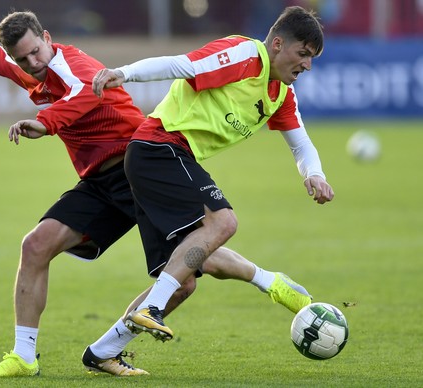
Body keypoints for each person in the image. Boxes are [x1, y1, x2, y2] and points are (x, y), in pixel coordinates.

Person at [0, 7, 314, 379]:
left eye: (36, 51)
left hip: (135, 165)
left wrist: (45, 123)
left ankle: (270, 283)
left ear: (48, 39)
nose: (32, 62)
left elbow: (86, 93)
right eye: (23, 59)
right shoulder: (30, 71)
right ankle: (24, 357)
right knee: (36, 245)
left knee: (190, 268)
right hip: (99, 181)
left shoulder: (72, 65)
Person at [89, 5, 333, 365]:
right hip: (160, 146)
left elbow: (301, 144)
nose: (307, 65)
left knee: (184, 279)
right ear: (278, 44)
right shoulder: (245, 55)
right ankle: (152, 307)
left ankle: (101, 352)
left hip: (167, 159)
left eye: (312, 58)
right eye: (303, 54)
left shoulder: (279, 93)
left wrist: (314, 173)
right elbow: (181, 65)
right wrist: (124, 73)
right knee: (223, 222)